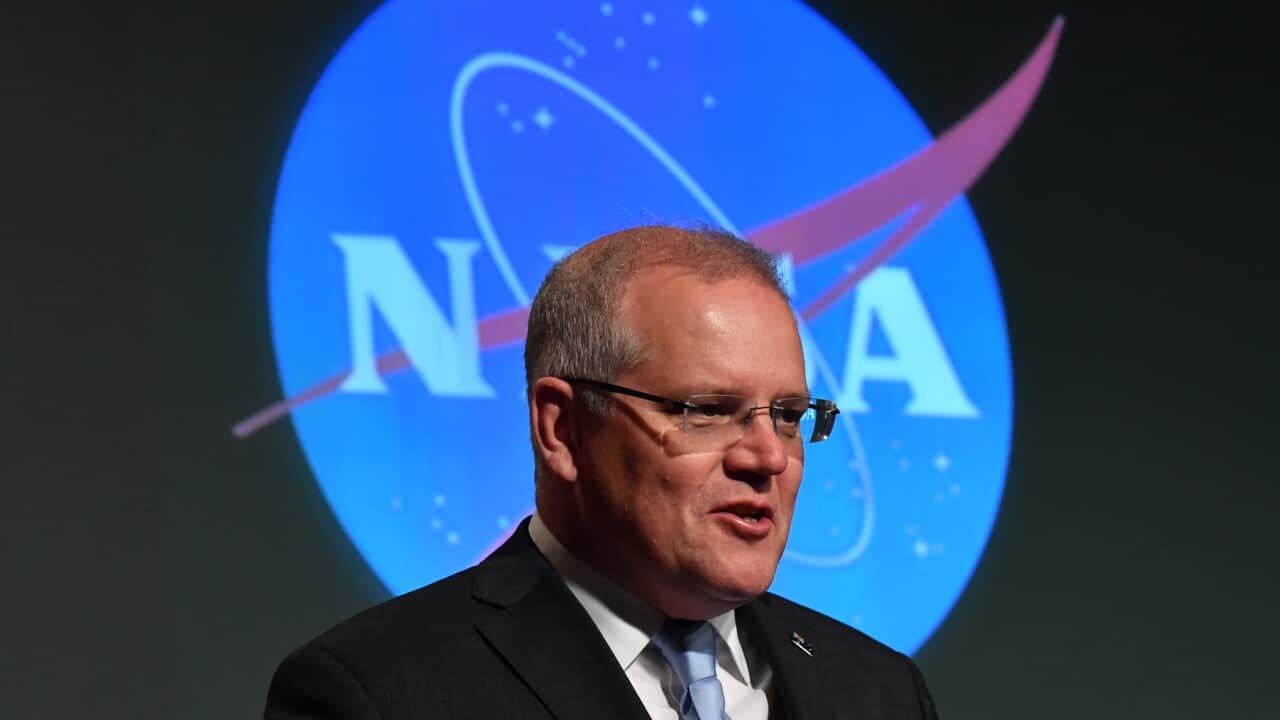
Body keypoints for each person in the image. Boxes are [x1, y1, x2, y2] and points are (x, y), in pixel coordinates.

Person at [264, 225, 938, 719]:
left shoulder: (879, 693)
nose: (767, 457)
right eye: (706, 410)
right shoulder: (379, 695)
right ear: (562, 428)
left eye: (788, 415)